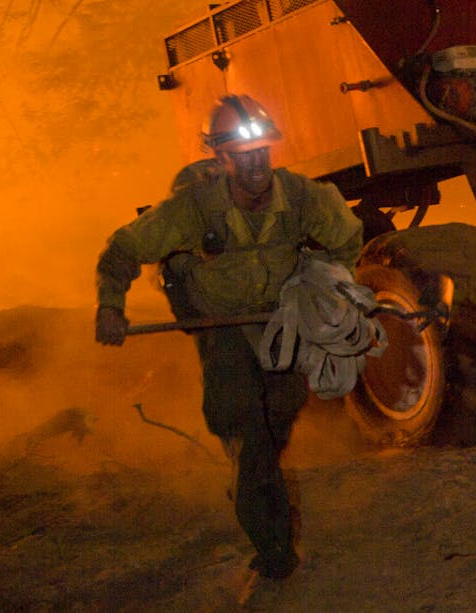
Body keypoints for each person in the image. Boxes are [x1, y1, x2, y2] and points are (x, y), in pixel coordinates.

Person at [94, 94, 363, 584]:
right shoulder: (194, 209)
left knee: (281, 410)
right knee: (246, 429)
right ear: (220, 157)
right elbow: (124, 249)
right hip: (218, 324)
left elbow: (347, 239)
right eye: (242, 153)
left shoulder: (302, 198)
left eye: (262, 150)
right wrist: (111, 305)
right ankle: (274, 549)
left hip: (276, 319)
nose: (256, 162)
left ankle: (252, 475)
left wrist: (329, 286)